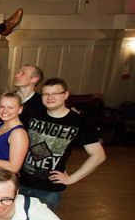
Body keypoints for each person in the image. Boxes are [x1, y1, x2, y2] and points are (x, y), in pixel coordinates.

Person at [19, 78, 106, 212]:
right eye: (46, 94)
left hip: (49, 190)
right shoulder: (34, 113)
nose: (50, 97)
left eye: (55, 93)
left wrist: (71, 179)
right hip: (21, 183)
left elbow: (98, 155)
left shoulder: (77, 122)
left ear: (65, 95)